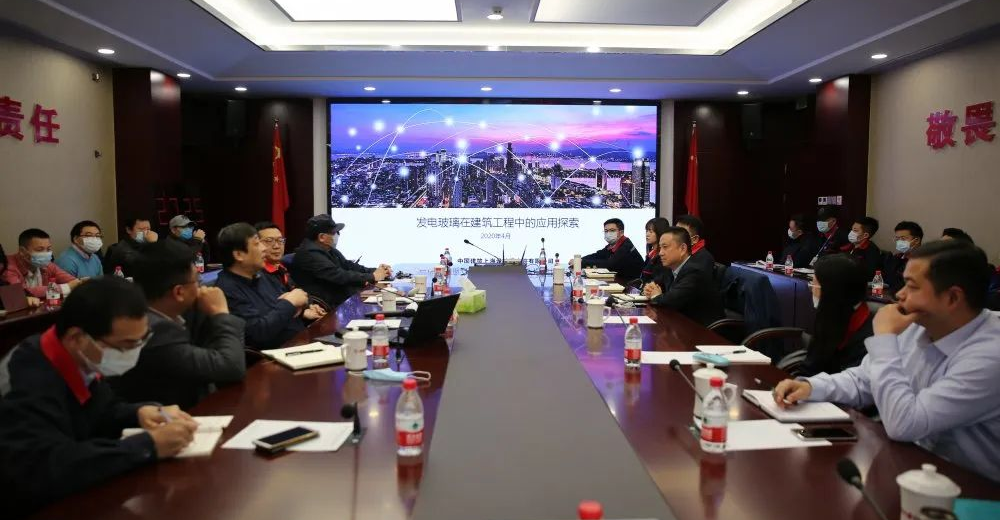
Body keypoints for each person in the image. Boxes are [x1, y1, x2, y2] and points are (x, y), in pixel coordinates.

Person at [773, 240, 1000, 482]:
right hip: (912, 466)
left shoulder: (990, 355)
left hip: (972, 488)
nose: (900, 294)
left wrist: (885, 338)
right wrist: (811, 387)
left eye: (912, 286)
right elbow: (863, 379)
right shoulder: (921, 325)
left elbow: (905, 424)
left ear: (952, 298)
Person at [0, 277, 198, 516]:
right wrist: (148, 445)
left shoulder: (79, 356)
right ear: (77, 338)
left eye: (140, 342)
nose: (132, 353)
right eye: (125, 345)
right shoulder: (25, 378)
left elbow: (101, 412)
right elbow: (42, 469)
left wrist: (138, 413)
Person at [107, 240, 245, 409]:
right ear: (179, 292)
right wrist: (220, 313)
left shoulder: (153, 314)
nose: (201, 287)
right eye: (198, 281)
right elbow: (230, 367)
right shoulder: (155, 330)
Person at [215, 223, 326, 350]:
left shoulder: (260, 275)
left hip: (300, 342)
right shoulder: (227, 290)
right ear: (239, 255)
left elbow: (276, 313)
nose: (263, 248)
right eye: (257, 244)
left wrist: (299, 309)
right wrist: (289, 303)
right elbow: (258, 333)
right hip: (275, 355)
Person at [796, 254, 873, 377]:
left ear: (831, 290)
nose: (812, 290)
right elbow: (811, 366)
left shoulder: (870, 336)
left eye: (814, 285)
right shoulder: (830, 313)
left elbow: (850, 382)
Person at [290, 215, 391, 307]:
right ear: (321, 237)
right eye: (334, 233)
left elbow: (348, 265)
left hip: (341, 297)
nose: (337, 235)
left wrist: (376, 271)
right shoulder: (309, 254)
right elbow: (338, 275)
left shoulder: (328, 249)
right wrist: (372, 276)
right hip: (327, 304)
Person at [642, 227, 725, 326]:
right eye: (660, 248)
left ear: (683, 249)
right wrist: (650, 289)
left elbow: (670, 301)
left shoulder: (695, 271)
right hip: (680, 323)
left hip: (702, 329)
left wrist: (656, 296)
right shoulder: (670, 268)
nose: (660, 253)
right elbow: (656, 286)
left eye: (665, 247)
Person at [2, 228, 82, 298]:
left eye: (48, 249)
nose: (46, 254)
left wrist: (81, 282)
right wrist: (65, 287)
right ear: (22, 251)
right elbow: (19, 293)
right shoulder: (7, 266)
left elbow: (73, 282)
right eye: (40, 250)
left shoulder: (47, 265)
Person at [883, 221, 923, 294]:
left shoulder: (924, 261)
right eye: (897, 239)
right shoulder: (896, 258)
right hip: (891, 295)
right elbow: (886, 280)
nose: (899, 242)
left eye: (903, 239)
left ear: (916, 240)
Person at [255, 221, 294, 291]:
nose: (276, 246)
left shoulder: (283, 267)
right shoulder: (256, 274)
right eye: (269, 241)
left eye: (280, 240)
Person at [639, 217, 671, 286]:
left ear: (660, 232)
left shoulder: (662, 256)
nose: (647, 234)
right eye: (646, 231)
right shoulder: (651, 253)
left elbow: (657, 281)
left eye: (651, 232)